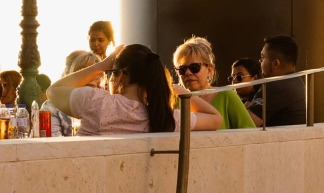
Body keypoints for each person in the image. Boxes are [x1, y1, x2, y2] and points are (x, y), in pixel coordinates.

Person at [47, 44, 222, 135]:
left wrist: (101, 65)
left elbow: (53, 91)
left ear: (120, 75)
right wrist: (177, 90)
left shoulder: (96, 102)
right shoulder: (166, 117)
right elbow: (215, 119)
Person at [173, 36, 255, 130]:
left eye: (194, 67)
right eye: (182, 69)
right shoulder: (173, 101)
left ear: (209, 69)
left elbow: (251, 134)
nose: (188, 73)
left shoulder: (226, 95)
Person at [247, 35, 307, 127]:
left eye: (262, 57)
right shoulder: (296, 81)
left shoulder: (276, 86)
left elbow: (246, 123)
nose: (260, 61)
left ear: (275, 64)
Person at [42, 50, 100, 136]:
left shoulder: (105, 103)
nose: (90, 76)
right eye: (83, 71)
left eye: (95, 72)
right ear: (70, 76)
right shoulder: (51, 107)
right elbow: (53, 144)